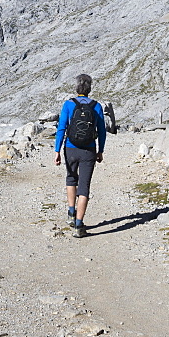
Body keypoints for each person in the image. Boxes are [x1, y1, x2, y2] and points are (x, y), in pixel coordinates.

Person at [54, 73, 107, 238]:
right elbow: (102, 131)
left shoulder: (69, 105)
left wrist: (57, 150)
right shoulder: (96, 106)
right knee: (84, 186)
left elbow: (61, 128)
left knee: (71, 179)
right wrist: (100, 150)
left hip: (70, 148)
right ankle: (78, 225)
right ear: (90, 89)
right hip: (89, 150)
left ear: (76, 88)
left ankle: (71, 212)